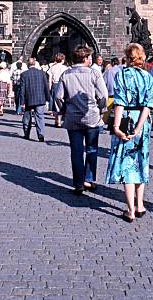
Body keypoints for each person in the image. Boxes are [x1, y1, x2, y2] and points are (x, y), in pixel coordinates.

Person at [105, 43, 153, 222]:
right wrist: (139, 127)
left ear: (127, 57)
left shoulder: (122, 75)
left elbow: (119, 103)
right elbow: (148, 106)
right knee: (141, 162)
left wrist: (117, 127)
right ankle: (140, 204)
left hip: (126, 117)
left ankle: (130, 210)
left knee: (127, 165)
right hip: (141, 122)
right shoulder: (148, 77)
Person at [55, 45, 108, 195]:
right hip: (91, 116)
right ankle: (89, 179)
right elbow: (103, 96)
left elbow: (58, 97)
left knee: (76, 151)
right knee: (91, 149)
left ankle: (78, 183)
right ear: (85, 58)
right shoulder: (94, 74)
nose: (91, 60)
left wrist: (64, 110)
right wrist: (101, 110)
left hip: (73, 118)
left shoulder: (66, 74)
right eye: (90, 57)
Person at [19, 57, 49, 141]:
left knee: (27, 117)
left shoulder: (24, 74)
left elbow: (22, 89)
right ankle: (41, 134)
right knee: (40, 116)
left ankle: (26, 133)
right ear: (35, 63)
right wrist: (47, 98)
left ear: (28, 64)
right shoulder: (42, 73)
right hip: (40, 98)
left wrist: (22, 102)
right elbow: (46, 86)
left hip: (28, 98)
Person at [47, 53, 68, 127]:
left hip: (55, 85)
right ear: (62, 59)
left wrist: (50, 88)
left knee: (55, 104)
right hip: (62, 85)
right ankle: (59, 120)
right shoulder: (65, 68)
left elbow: (50, 79)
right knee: (61, 103)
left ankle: (57, 120)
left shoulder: (52, 67)